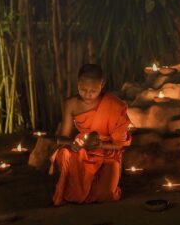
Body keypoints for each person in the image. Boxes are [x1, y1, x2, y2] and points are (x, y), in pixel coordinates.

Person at [50, 64, 131, 206]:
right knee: (64, 154)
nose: (87, 94)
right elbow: (62, 138)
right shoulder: (71, 103)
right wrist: (72, 144)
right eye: (82, 89)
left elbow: (119, 143)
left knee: (106, 195)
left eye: (93, 90)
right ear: (77, 83)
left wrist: (100, 144)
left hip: (107, 152)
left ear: (102, 84)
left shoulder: (114, 105)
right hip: (83, 150)